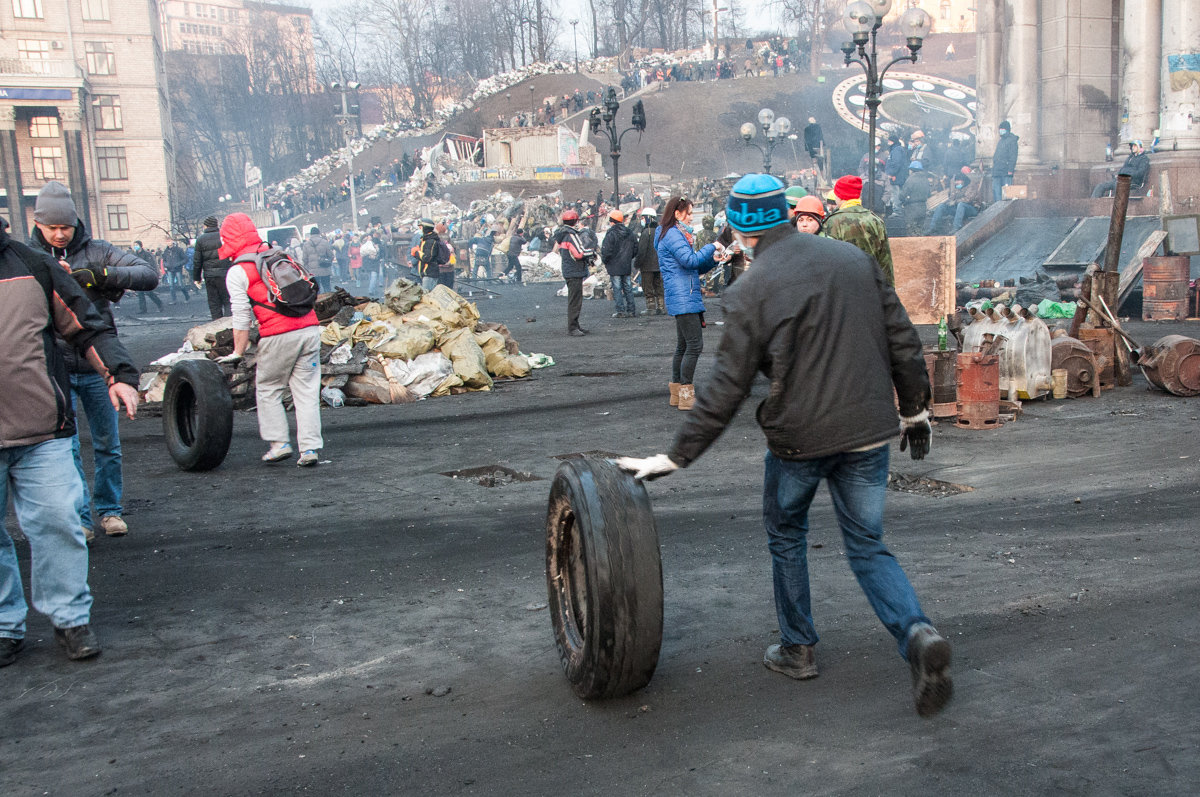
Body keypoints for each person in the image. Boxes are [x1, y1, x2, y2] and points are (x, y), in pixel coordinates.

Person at [615, 173, 952, 719]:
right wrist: (915, 410)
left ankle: (798, 649)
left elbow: (725, 386)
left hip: (799, 440)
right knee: (867, 544)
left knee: (787, 534)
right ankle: (916, 633)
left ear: (738, 225)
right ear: (786, 211)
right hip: (869, 430)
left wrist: (677, 455)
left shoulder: (750, 289)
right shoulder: (851, 260)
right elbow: (902, 340)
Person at [0, 212, 140, 665]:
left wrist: (118, 375)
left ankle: (70, 620)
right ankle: (4, 626)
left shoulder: (35, 266)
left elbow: (87, 325)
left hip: (43, 428)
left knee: (60, 522)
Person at [31, 182, 157, 543]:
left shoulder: (96, 251)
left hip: (97, 363)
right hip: (52, 365)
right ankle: (81, 517)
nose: (58, 234)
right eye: (51, 227)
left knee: (107, 442)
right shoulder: (28, 258)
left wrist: (102, 276)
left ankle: (110, 511)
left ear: (75, 224)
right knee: (66, 447)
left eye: (64, 227)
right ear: (38, 224)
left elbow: (148, 274)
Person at [219, 213, 323, 467]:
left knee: (268, 388)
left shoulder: (237, 271)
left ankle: (280, 444)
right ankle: (309, 449)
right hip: (310, 328)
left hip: (278, 335)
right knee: (307, 392)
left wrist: (238, 351)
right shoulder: (278, 254)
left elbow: (241, 316)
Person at [655, 194, 721, 411]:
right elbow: (690, 261)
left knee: (683, 345)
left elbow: (693, 266)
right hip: (684, 296)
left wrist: (713, 260)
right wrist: (712, 246)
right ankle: (686, 394)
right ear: (677, 214)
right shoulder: (674, 235)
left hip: (681, 295)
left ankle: (677, 393)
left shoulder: (670, 234)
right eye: (689, 213)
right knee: (694, 345)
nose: (692, 218)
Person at [824, 175, 896, 285]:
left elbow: (827, 262)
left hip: (845, 288)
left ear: (840, 196)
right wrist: (889, 293)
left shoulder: (832, 222)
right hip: (871, 286)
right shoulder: (875, 220)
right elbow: (885, 262)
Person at [553, 209, 593, 336]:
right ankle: (573, 327)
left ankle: (575, 325)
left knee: (573, 299)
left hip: (568, 269)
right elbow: (579, 253)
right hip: (575, 270)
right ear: (575, 221)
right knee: (575, 300)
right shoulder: (572, 235)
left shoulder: (562, 235)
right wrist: (591, 252)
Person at [192, 215, 231, 318]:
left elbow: (197, 261)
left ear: (205, 226)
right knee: (227, 301)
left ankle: (217, 327)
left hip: (210, 276)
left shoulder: (200, 240)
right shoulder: (224, 237)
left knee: (214, 303)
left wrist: (197, 278)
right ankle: (229, 325)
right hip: (225, 274)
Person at [600, 209, 637, 318]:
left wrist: (606, 261)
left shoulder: (611, 233)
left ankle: (620, 311)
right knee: (628, 287)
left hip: (614, 265)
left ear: (612, 221)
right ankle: (631, 310)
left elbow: (606, 251)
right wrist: (629, 258)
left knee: (617, 288)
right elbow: (635, 248)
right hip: (626, 265)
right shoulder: (629, 232)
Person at [927, 167, 985, 234]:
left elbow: (968, 199)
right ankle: (933, 228)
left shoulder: (971, 186)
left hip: (972, 209)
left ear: (963, 181)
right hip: (959, 209)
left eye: (958, 181)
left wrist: (955, 202)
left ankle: (956, 227)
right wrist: (949, 202)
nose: (956, 182)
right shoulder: (957, 187)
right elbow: (952, 198)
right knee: (941, 206)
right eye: (955, 181)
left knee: (961, 204)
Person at [635, 208, 664, 315]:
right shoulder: (660, 231)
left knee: (648, 287)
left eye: (643, 217)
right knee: (659, 287)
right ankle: (661, 306)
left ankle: (651, 308)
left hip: (647, 265)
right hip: (659, 265)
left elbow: (641, 250)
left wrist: (637, 263)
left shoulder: (646, 232)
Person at [900, 160, 934, 236]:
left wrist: (903, 200)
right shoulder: (925, 179)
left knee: (911, 231)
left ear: (911, 170)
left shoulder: (910, 179)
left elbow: (902, 195)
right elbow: (929, 194)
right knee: (919, 231)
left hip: (911, 209)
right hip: (923, 207)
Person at [131, 240, 164, 314]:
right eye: (134, 245)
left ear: (140, 245)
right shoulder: (134, 255)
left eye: (136, 245)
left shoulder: (147, 254)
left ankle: (159, 303)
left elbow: (152, 264)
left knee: (148, 292)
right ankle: (143, 309)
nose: (135, 246)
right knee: (140, 293)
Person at [413, 219, 445, 292]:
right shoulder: (426, 240)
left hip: (429, 273)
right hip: (426, 273)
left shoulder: (430, 241)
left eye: (421, 228)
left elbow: (427, 257)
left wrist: (417, 252)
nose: (420, 230)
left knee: (428, 296)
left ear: (425, 228)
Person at [991, 120, 1019, 202]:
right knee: (996, 192)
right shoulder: (1001, 140)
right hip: (997, 170)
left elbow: (1013, 156)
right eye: (1000, 129)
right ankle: (997, 209)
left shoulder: (1012, 140)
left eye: (1002, 129)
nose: (1000, 131)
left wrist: (1010, 170)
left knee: (1006, 193)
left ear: (1007, 130)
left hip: (1005, 170)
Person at [301, 226, 334, 292]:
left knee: (316, 289)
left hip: (312, 271)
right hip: (324, 268)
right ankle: (329, 301)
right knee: (327, 287)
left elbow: (304, 259)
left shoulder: (306, 244)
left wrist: (307, 268)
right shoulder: (324, 242)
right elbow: (331, 255)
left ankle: (318, 301)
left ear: (310, 234)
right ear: (319, 233)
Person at [161, 239, 191, 303]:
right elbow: (164, 260)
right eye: (167, 241)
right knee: (171, 285)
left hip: (177, 269)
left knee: (181, 285)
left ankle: (187, 296)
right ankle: (174, 300)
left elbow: (185, 259)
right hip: (169, 269)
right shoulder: (165, 251)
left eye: (169, 241)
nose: (168, 242)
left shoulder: (179, 250)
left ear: (172, 241)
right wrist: (166, 265)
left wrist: (178, 264)